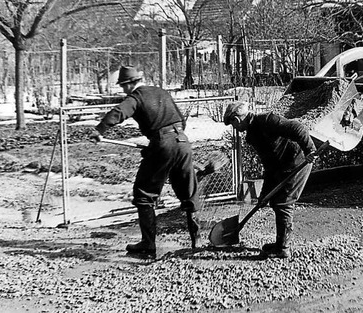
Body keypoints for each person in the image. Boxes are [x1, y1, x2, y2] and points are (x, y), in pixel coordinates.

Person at [90, 66, 200, 259]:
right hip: (183, 142)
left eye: (124, 86)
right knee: (188, 193)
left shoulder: (136, 97)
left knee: (144, 194)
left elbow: (118, 112)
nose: (124, 91)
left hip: (164, 144)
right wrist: (161, 143)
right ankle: (196, 242)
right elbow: (180, 120)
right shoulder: (161, 92)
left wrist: (99, 130)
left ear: (129, 83)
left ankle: (148, 244)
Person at [223, 101, 317, 259]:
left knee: (283, 203)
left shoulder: (266, 120)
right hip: (282, 166)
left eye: (232, 124)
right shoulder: (253, 134)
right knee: (275, 202)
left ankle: (283, 248)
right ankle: (280, 244)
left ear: (237, 119)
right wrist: (263, 196)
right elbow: (270, 166)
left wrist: (310, 150)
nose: (234, 129)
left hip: (297, 161)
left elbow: (297, 127)